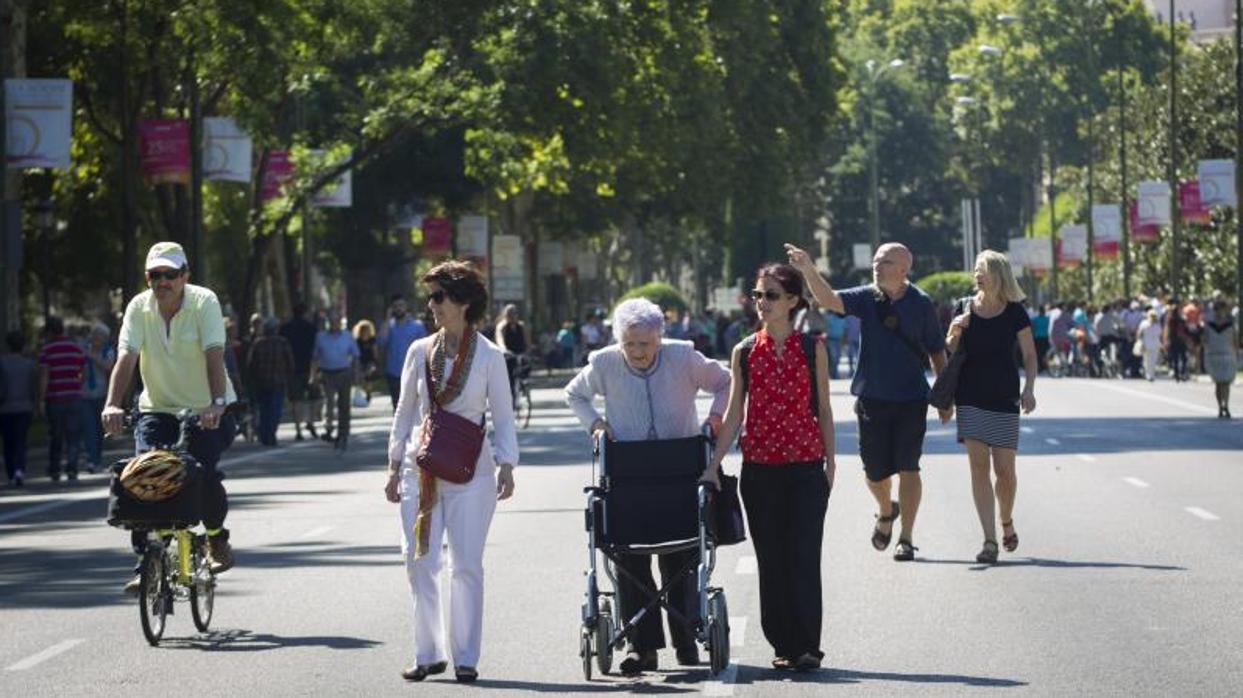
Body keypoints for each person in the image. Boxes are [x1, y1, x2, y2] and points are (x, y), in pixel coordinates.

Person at [565, 298, 730, 675]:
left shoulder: (684, 357)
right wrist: (596, 424)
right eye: (630, 344)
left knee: (682, 560)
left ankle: (687, 639)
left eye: (646, 344)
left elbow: (725, 382)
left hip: (679, 474)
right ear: (619, 339)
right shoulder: (604, 363)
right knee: (630, 563)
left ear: (660, 337)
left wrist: (716, 417)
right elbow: (574, 394)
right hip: (629, 478)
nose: (638, 352)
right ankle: (644, 649)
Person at [385, 261, 517, 683]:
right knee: (418, 561)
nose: (432, 305)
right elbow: (404, 411)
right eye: (431, 297)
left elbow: (504, 414)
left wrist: (507, 464)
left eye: (440, 296)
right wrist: (392, 465)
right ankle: (427, 654)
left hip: (471, 473)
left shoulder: (490, 356)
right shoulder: (418, 351)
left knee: (466, 565)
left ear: (463, 302)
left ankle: (465, 657)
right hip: (419, 471)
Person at [703, 264, 835, 672]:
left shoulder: (812, 348)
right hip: (760, 471)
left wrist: (831, 462)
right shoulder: (744, 351)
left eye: (772, 295)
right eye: (758, 295)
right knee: (772, 558)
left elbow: (825, 408)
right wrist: (713, 465)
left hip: (806, 467)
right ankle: (783, 642)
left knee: (804, 556)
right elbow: (734, 412)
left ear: (793, 301)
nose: (762, 303)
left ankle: (808, 646)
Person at [786, 242, 947, 561]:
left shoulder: (921, 303)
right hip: (872, 397)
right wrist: (807, 268)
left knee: (909, 467)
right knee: (874, 472)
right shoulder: (867, 296)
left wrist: (943, 395)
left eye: (885, 261)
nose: (877, 266)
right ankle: (887, 510)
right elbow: (828, 299)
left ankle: (906, 538)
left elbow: (936, 351)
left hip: (911, 398)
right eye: (875, 261)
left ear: (904, 269)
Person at [102, 242, 238, 591]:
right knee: (143, 475)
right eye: (155, 275)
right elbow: (127, 359)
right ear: (148, 278)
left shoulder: (203, 302)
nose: (163, 282)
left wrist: (216, 403)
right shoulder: (138, 307)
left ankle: (216, 538)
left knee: (202, 473)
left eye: (171, 275)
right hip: (157, 407)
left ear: (185, 276)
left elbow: (214, 353)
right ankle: (146, 562)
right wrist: (112, 404)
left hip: (206, 408)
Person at [945, 251, 1038, 565]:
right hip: (970, 397)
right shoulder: (963, 306)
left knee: (1005, 472)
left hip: (1004, 397)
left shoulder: (1015, 312)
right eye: (974, 271)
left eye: (981, 270)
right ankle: (988, 540)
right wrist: (956, 328)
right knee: (978, 468)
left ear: (998, 274)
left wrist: (1029, 389)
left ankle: (1006, 519)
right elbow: (950, 348)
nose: (976, 276)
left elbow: (1029, 355)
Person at [37, 316, 87, 482]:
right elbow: (83, 372)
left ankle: (55, 469)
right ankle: (72, 468)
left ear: (50, 332)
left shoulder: (47, 350)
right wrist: (77, 384)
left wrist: (41, 399)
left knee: (56, 435)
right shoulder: (75, 348)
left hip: (55, 398)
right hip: (74, 397)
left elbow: (44, 376)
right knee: (73, 435)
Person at [311, 308, 359, 452]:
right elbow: (315, 358)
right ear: (328, 323)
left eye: (337, 321)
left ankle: (343, 433)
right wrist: (312, 375)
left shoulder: (347, 336)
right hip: (327, 374)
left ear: (340, 322)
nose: (334, 324)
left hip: (344, 373)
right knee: (329, 402)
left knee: (344, 405)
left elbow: (356, 355)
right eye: (331, 321)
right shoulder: (320, 337)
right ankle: (329, 427)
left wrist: (356, 373)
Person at [246, 317, 295, 446]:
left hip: (262, 382)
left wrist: (253, 379)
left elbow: (250, 364)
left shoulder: (258, 343)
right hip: (278, 382)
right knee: (275, 410)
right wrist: (289, 377)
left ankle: (265, 434)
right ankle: (270, 434)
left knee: (264, 409)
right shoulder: (282, 342)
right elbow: (290, 363)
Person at [379, 294, 428, 411]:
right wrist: (387, 319)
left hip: (413, 371)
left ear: (406, 307)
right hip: (394, 372)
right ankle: (399, 429)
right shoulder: (388, 326)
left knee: (414, 406)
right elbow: (381, 341)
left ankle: (412, 429)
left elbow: (425, 348)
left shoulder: (417, 326)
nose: (398, 308)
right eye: (395, 306)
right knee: (397, 407)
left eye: (401, 305)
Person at [1, 331, 37, 487]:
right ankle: (19, 470)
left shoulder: (2, 362)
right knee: (21, 441)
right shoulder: (29, 364)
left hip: (5, 408)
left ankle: (10, 472)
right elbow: (32, 387)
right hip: (25, 406)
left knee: (8, 442)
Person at [281, 302, 320, 441]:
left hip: (292, 369)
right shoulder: (311, 328)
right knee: (315, 397)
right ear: (305, 313)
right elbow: (317, 349)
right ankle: (311, 422)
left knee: (296, 400)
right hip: (310, 367)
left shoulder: (285, 328)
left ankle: (298, 429)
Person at [81, 322, 117, 473]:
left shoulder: (108, 351)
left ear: (105, 339)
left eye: (99, 336)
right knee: (89, 429)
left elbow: (108, 366)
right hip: (85, 395)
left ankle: (97, 459)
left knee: (99, 430)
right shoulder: (84, 349)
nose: (95, 338)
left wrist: (92, 357)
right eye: (94, 335)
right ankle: (91, 460)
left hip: (103, 395)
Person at [1203, 299, 1238, 419]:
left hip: (1226, 354)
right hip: (1215, 354)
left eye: (1221, 309)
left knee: (1226, 383)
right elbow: (1205, 340)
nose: (1219, 312)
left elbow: (1235, 340)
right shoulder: (1209, 325)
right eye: (1217, 309)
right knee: (1219, 383)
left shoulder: (1230, 325)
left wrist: (1236, 353)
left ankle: (1226, 406)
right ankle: (1220, 407)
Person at [494, 304, 531, 399]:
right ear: (505, 315)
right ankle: (511, 393)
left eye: (514, 313)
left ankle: (524, 383)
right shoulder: (502, 327)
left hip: (520, 352)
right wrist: (504, 349)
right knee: (509, 370)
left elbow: (527, 340)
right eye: (510, 314)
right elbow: (500, 340)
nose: (512, 316)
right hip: (509, 354)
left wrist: (528, 350)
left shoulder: (521, 326)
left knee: (527, 363)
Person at [353, 319, 378, 400]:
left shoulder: (372, 339)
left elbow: (375, 351)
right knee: (361, 377)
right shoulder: (357, 340)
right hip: (360, 361)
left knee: (369, 376)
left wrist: (375, 362)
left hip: (370, 361)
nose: (365, 331)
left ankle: (368, 393)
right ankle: (361, 392)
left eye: (367, 330)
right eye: (363, 329)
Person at [1137, 309, 1163, 381]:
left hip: (1155, 344)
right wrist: (1140, 342)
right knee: (1147, 360)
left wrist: (1161, 344)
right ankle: (1148, 375)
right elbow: (1140, 333)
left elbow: (1160, 335)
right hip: (1146, 344)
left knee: (1153, 360)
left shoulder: (1157, 325)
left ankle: (1151, 374)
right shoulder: (1144, 323)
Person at [1031, 305, 1050, 374]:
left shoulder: (1035, 319)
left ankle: (1039, 367)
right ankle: (1044, 367)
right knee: (1044, 353)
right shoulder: (1047, 319)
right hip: (1045, 338)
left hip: (1037, 338)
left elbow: (1032, 329)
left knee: (1038, 353)